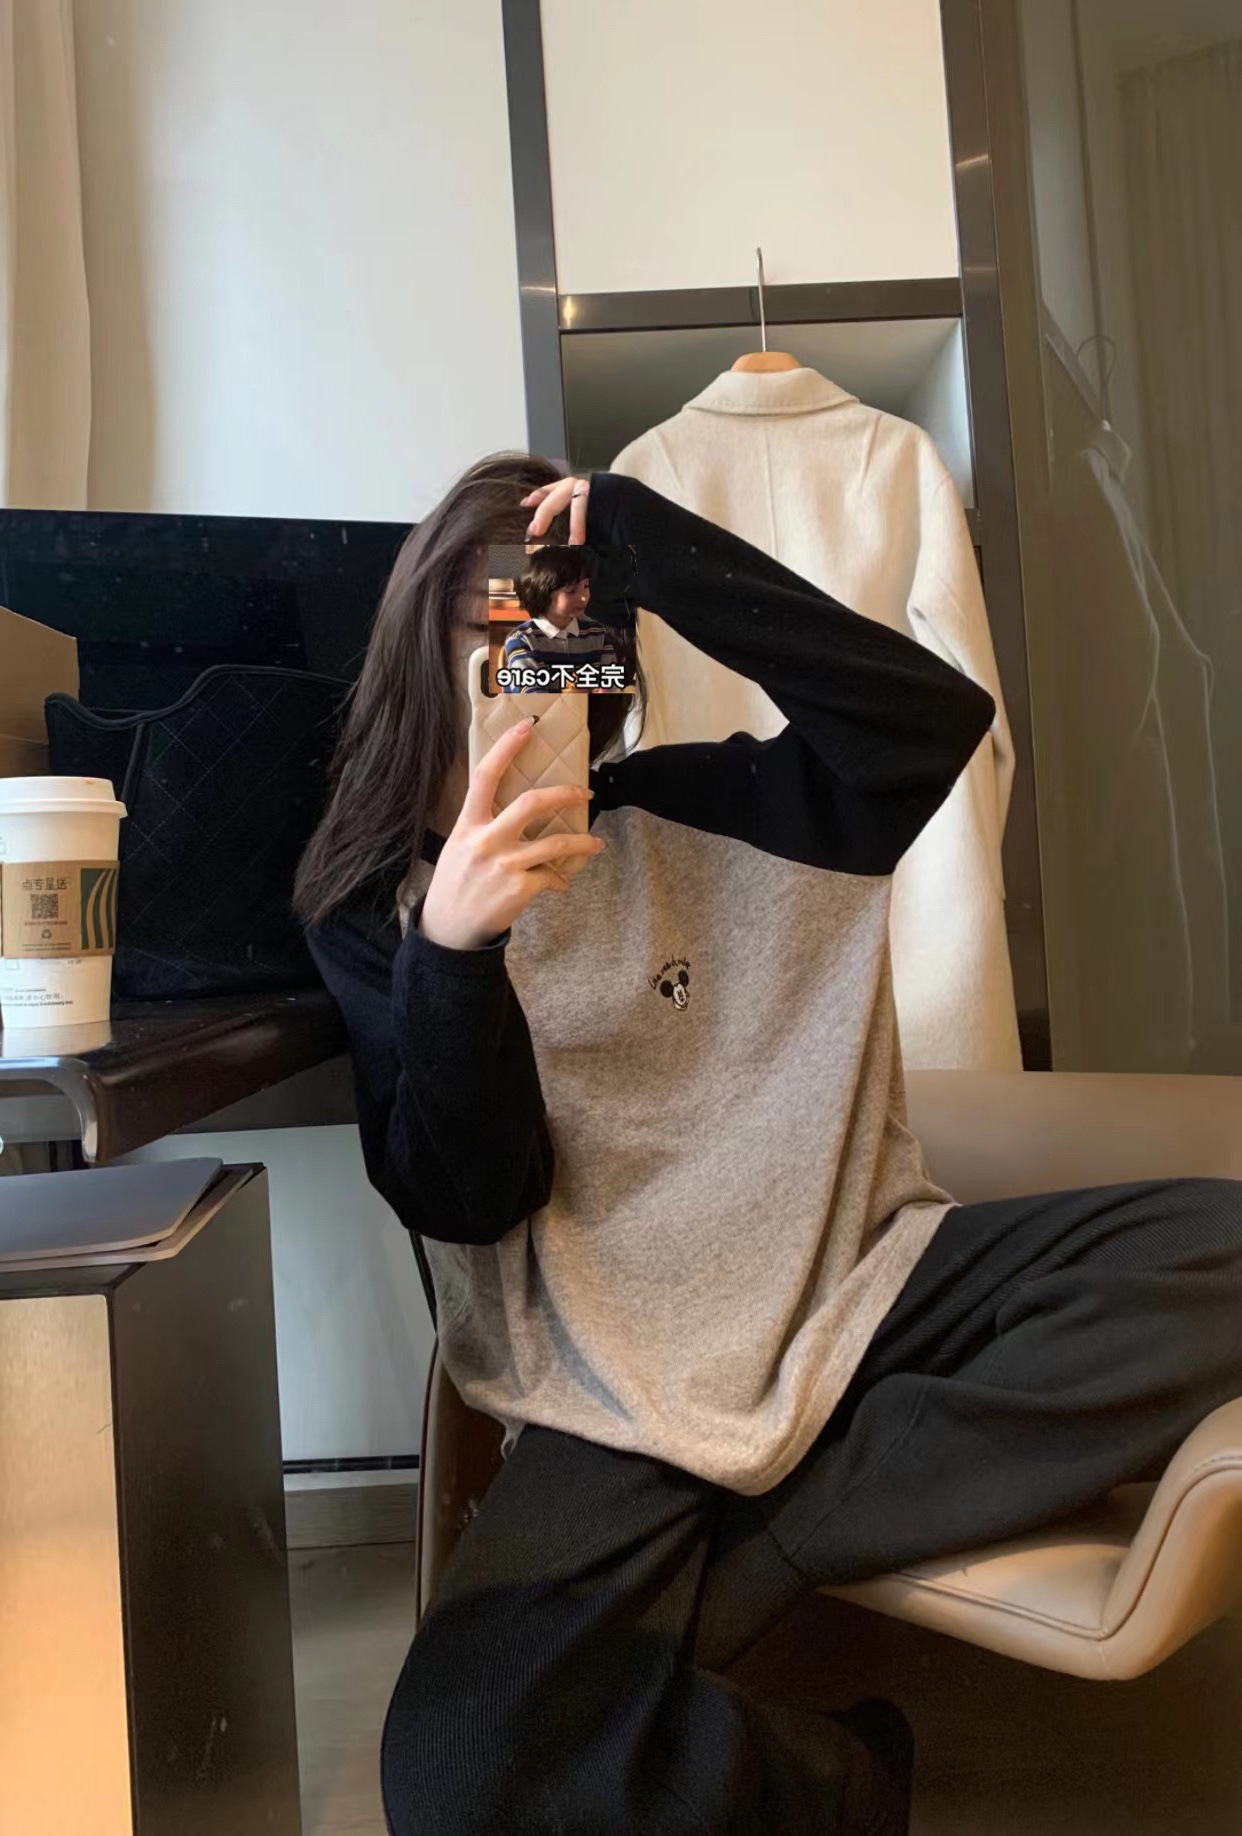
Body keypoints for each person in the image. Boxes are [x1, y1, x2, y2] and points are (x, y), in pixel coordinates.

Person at [295, 454, 1242, 1836]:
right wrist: (457, 954)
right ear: (422, 648)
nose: (543, 674)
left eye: (578, 640)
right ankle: (844, 1776)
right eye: (505, 637)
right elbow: (471, 1196)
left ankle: (784, 1527)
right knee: (457, 1771)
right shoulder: (372, 910)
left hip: (859, 1288)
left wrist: (652, 546)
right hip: (614, 1382)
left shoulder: (711, 810)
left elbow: (930, 718)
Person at [499, 542, 628, 692]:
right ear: (543, 594)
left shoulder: (598, 633)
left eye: (586, 586)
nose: (583, 597)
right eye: (571, 591)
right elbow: (530, 696)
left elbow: (611, 684)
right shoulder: (522, 640)